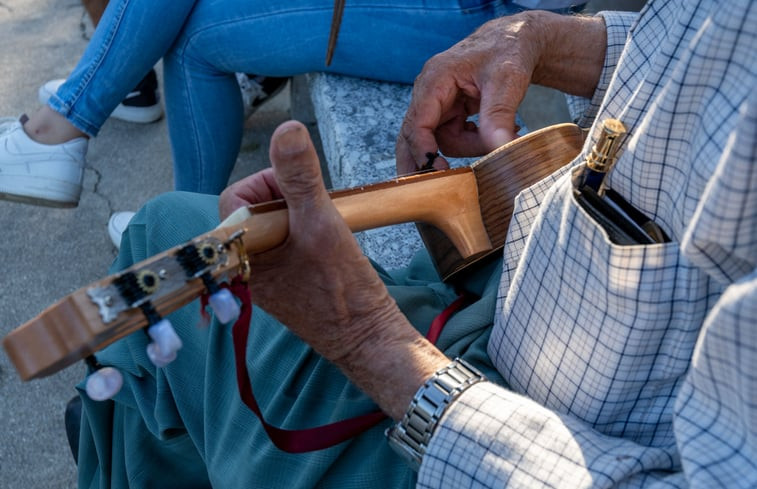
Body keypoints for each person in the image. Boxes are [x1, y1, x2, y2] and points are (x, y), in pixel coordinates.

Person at [71, 0, 755, 487]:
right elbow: (715, 59)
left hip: (506, 432)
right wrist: (547, 40)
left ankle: (62, 127)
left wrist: (367, 341)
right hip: (508, 301)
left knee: (162, 239)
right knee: (169, 283)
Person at [0, 0, 579, 210]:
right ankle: (185, 215)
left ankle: (68, 131)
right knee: (194, 28)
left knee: (198, 39)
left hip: (485, 14)